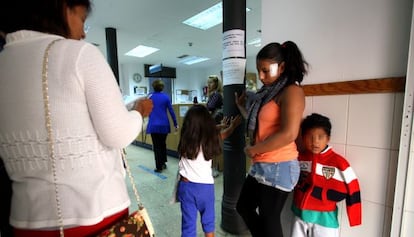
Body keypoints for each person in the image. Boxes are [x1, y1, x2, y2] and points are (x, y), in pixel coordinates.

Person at [0, 1, 153, 236]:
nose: (82, 33)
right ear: (62, 7)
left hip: (25, 220)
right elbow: (117, 134)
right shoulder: (78, 53)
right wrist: (139, 112)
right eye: (82, 19)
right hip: (95, 216)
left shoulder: (5, 61)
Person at [235, 41, 308, 237]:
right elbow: (260, 124)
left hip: (279, 165)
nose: (260, 76)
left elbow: (289, 134)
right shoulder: (266, 94)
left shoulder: (292, 91)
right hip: (262, 163)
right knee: (244, 207)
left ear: (282, 66)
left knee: (269, 218)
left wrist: (255, 149)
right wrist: (242, 108)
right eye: (259, 70)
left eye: (266, 71)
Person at [291, 113, 362, 237]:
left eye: (320, 137)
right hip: (299, 213)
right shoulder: (299, 158)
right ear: (302, 137)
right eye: (310, 137)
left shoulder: (339, 162)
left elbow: (353, 188)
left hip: (325, 217)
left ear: (328, 138)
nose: (315, 142)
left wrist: (354, 217)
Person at [177, 105, 241, 237]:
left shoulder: (185, 138)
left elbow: (202, 130)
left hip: (186, 187)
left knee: (188, 226)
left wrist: (220, 126)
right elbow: (223, 134)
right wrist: (232, 126)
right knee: (208, 225)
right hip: (205, 188)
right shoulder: (210, 141)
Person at [146, 79, 178, 172]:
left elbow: (146, 110)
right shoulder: (166, 97)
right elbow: (171, 111)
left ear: (153, 87)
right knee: (163, 144)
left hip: (154, 125)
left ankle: (159, 166)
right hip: (164, 124)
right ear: (162, 87)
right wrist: (175, 124)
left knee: (156, 146)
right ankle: (163, 162)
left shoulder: (150, 97)